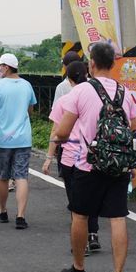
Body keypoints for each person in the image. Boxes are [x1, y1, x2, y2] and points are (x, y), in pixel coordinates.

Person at [54, 42, 136, 272]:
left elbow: (63, 131)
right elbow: (131, 131)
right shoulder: (126, 92)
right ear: (113, 64)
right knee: (118, 217)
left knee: (80, 215)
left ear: (91, 63)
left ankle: (78, 270)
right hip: (119, 166)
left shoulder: (80, 92)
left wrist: (61, 140)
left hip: (88, 165)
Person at [42, 61, 101, 253]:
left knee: (76, 204)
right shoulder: (99, 97)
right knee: (92, 197)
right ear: (88, 72)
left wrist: (49, 157)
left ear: (68, 78)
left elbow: (56, 132)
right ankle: (93, 234)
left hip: (70, 158)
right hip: (94, 156)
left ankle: (80, 244)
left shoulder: (66, 100)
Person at [0, 53, 37, 230]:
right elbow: (30, 110)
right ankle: (21, 215)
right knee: (21, 176)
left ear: (6, 67)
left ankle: (3, 209)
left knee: (3, 176)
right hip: (23, 138)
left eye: (0, 65)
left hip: (2, 140)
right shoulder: (27, 85)